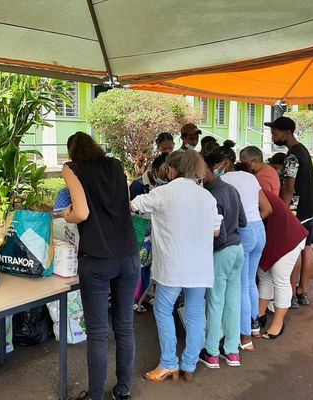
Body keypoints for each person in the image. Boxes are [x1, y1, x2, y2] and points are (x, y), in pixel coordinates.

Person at [131, 150, 222, 383]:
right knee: (194, 314)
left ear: (171, 170)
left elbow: (134, 206)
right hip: (200, 266)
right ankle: (189, 365)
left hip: (173, 266)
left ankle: (169, 363)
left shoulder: (163, 193)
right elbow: (216, 230)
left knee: (162, 310)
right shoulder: (206, 197)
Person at [63, 132, 139, 400]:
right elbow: (125, 205)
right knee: (125, 326)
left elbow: (81, 213)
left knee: (97, 333)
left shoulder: (72, 168)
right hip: (129, 256)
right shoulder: (116, 165)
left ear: (73, 152)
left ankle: (96, 395)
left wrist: (67, 215)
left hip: (96, 259)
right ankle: (123, 389)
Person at [210, 140, 272, 351]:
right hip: (258, 230)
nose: (214, 170)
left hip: (242, 233)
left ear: (225, 163)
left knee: (241, 286)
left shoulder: (224, 181)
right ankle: (254, 325)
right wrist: (253, 223)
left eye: (215, 165)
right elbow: (267, 209)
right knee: (249, 281)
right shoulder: (250, 177)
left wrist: (240, 228)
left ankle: (245, 336)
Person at [269, 116, 313, 308]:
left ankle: (291, 293)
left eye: (275, 133)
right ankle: (302, 290)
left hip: (298, 210)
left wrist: (281, 210)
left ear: (287, 133)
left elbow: (290, 187)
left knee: (294, 250)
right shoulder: (303, 150)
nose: (272, 136)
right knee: (306, 249)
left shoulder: (292, 156)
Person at [199, 156, 246, 369]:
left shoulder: (210, 195)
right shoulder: (230, 189)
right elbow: (242, 221)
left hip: (221, 251)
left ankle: (211, 352)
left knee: (215, 301)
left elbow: (218, 234)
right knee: (232, 301)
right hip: (238, 249)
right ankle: (232, 351)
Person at [257, 190, 308, 338]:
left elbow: (266, 211)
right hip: (271, 236)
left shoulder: (256, 190)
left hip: (288, 236)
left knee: (280, 277)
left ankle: (278, 322)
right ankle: (260, 314)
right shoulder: (249, 189)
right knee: (264, 274)